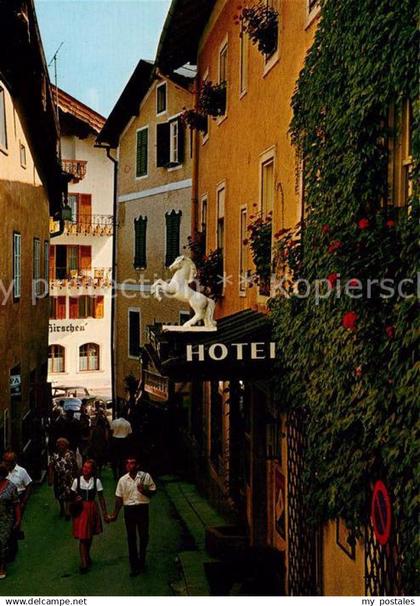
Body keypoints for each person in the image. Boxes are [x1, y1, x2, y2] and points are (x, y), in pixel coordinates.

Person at [110, 457, 156, 576]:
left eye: (133, 463)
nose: (130, 465)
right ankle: (134, 564)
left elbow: (153, 491)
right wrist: (115, 514)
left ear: (137, 465)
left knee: (144, 535)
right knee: (131, 537)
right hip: (129, 509)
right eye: (128, 463)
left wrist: (143, 490)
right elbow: (119, 499)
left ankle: (142, 558)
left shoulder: (145, 477)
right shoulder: (123, 480)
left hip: (142, 508)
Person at [70, 459, 109, 574]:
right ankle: (84, 562)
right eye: (84, 467)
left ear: (92, 470)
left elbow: (101, 498)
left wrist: (105, 513)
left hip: (92, 508)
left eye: (88, 468)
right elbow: (71, 494)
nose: (85, 470)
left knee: (89, 534)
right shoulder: (77, 481)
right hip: (81, 509)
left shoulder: (96, 481)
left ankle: (87, 555)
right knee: (83, 536)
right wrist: (75, 498)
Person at [3, 451, 32, 562]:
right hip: (6, 500)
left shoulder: (21, 471)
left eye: (8, 462)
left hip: (17, 499)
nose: (6, 464)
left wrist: (24, 502)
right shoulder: (3, 471)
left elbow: (29, 485)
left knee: (14, 524)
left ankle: (12, 550)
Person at [48, 438, 78, 519]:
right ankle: (62, 508)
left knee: (68, 494)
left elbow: (75, 464)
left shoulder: (70, 454)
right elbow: (51, 467)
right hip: (58, 478)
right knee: (59, 494)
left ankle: (67, 510)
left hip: (68, 477)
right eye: (59, 445)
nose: (61, 447)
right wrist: (50, 477)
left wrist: (77, 475)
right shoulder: (54, 455)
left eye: (63, 445)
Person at [0, 463, 21, 579]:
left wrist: (18, 520)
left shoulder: (11, 487)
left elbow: (16, 504)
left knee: (2, 542)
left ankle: (2, 566)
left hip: (6, 519)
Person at [110, 413, 132, 480]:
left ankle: (115, 475)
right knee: (122, 458)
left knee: (114, 458)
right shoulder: (127, 423)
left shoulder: (114, 422)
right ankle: (121, 474)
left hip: (115, 440)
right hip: (124, 441)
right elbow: (130, 434)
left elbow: (111, 431)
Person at [89, 407, 110, 475]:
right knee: (100, 457)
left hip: (96, 443)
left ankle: (97, 470)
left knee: (96, 457)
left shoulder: (95, 423)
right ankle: (99, 470)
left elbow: (91, 433)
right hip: (100, 443)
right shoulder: (103, 424)